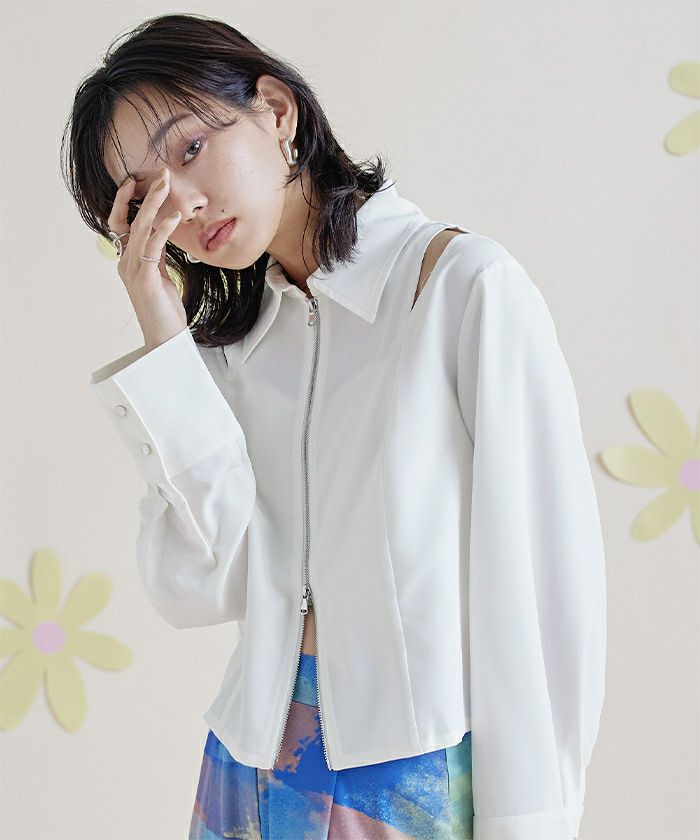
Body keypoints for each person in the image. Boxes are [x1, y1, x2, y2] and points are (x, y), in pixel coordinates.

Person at [61, 12, 607, 840]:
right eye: (144, 197)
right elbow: (201, 588)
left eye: (190, 149)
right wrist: (164, 339)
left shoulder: (461, 290)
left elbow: (543, 592)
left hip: (407, 784)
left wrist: (534, 823)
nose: (183, 203)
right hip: (243, 776)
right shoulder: (232, 354)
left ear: (277, 111)